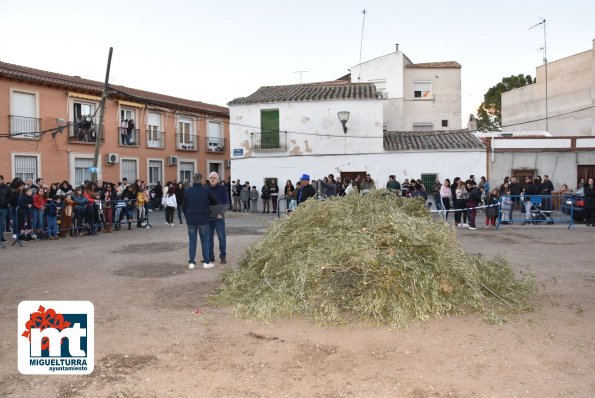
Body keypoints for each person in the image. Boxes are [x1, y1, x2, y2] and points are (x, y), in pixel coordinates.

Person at [182, 173, 217, 270]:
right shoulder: (206, 190)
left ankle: (192, 263)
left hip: (191, 219)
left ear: (193, 180)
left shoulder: (188, 191)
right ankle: (206, 262)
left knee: (192, 241)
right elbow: (214, 202)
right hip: (203, 219)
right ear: (201, 179)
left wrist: (187, 216)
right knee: (205, 241)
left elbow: (184, 207)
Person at [205, 172, 229, 264]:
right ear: (209, 179)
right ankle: (211, 257)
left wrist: (221, 213)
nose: (212, 179)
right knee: (209, 238)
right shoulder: (206, 189)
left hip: (219, 218)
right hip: (209, 218)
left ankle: (223, 256)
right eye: (211, 177)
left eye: (214, 177)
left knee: (221, 237)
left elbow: (226, 203)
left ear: (218, 179)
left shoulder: (222, 189)